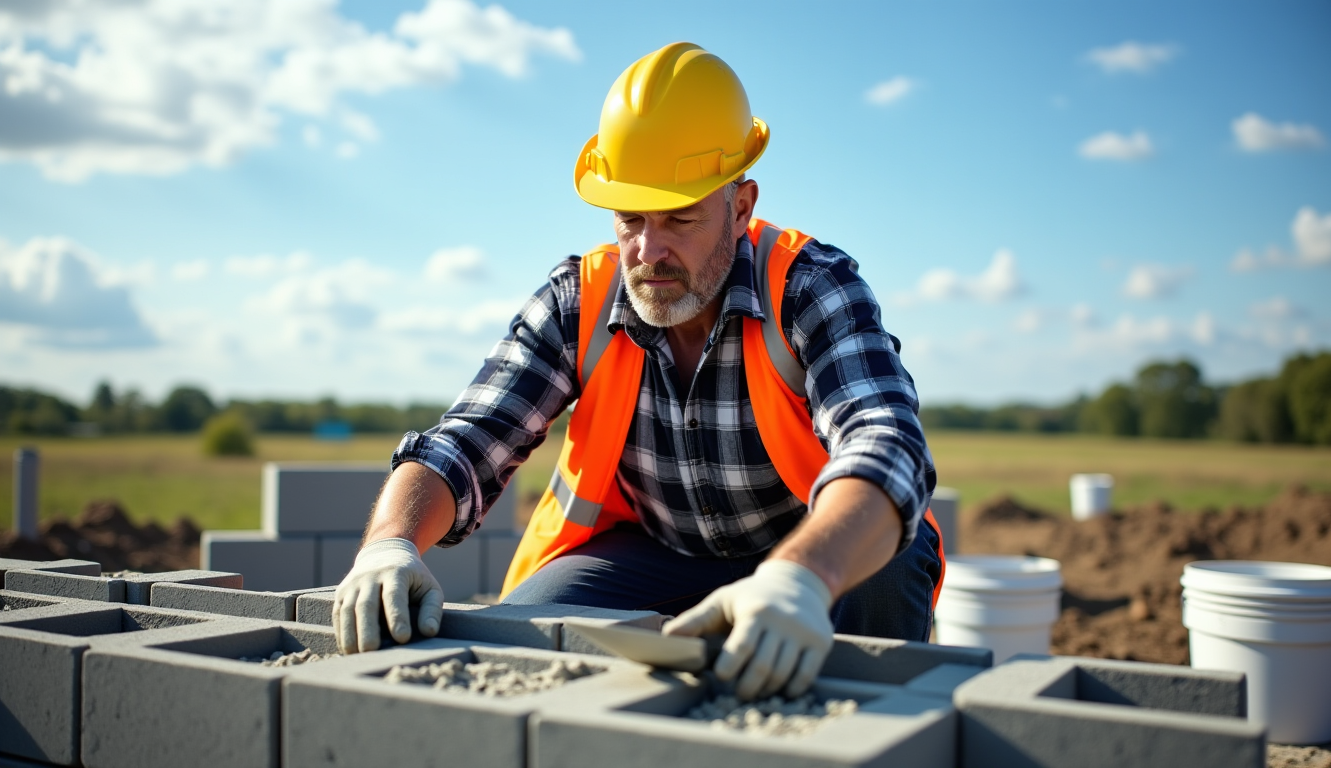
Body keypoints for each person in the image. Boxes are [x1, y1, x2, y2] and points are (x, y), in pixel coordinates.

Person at [333, 42, 943, 702]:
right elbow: (466, 441)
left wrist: (802, 575)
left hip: (806, 548)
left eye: (680, 217)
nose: (650, 251)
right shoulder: (579, 302)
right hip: (654, 556)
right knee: (536, 628)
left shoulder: (809, 288)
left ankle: (884, 723)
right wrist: (390, 546)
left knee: (889, 557)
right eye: (631, 220)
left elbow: (885, 445)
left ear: (740, 207)